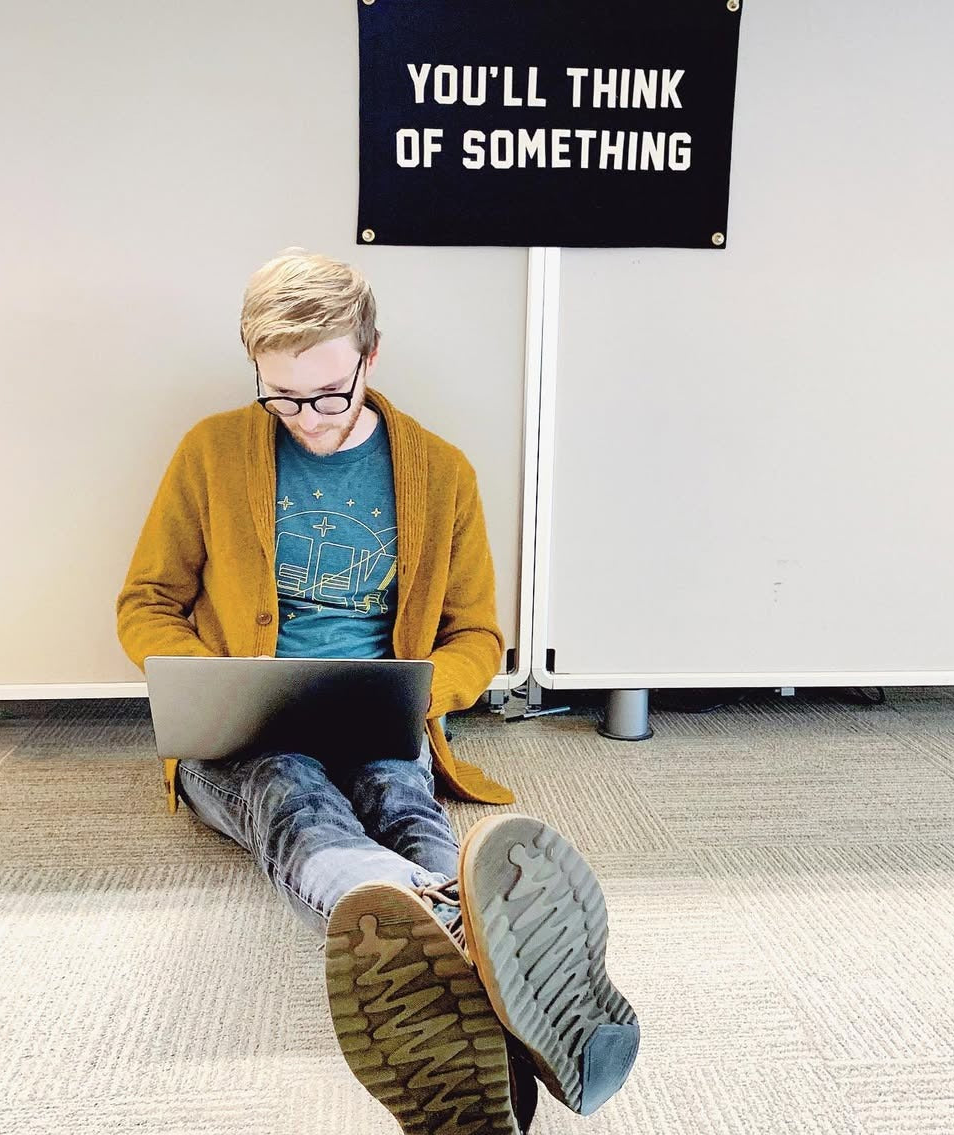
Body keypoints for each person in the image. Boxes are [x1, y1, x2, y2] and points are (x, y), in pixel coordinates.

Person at [116, 249, 638, 1134]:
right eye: (281, 397)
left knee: (402, 796)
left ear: (371, 354)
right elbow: (147, 603)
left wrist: (425, 696)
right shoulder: (211, 453)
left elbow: (477, 636)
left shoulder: (441, 472)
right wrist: (209, 680)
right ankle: (480, 939)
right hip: (241, 733)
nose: (307, 419)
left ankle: (458, 1011)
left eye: (329, 394)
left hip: (381, 718)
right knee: (293, 799)